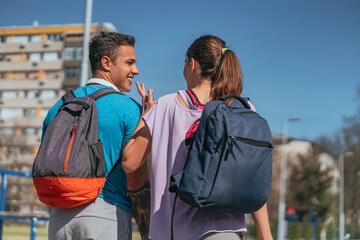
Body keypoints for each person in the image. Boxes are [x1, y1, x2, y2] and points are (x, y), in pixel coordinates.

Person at [122, 35, 273, 240]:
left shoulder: (167, 106)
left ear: (192, 64)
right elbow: (251, 181)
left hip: (176, 232)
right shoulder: (242, 109)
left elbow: (130, 162)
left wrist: (146, 113)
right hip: (228, 232)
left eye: (184, 63)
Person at [44, 31, 144, 240]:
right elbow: (135, 174)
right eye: (129, 63)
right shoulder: (130, 109)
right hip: (105, 214)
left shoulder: (58, 107)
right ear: (106, 63)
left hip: (58, 218)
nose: (135, 70)